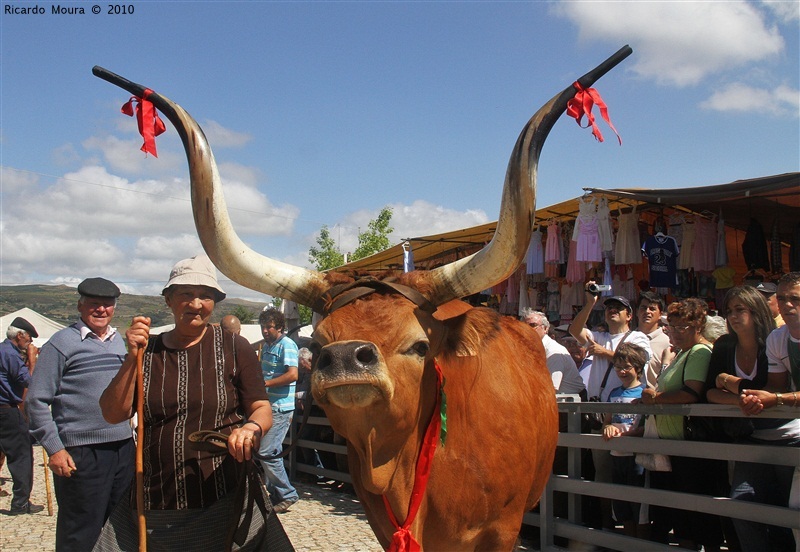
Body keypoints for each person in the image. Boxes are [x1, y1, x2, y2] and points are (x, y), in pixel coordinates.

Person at [95, 255, 285, 551]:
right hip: (154, 497)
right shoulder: (149, 350)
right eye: (186, 294)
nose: (196, 304)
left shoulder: (234, 347)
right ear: (169, 300)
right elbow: (112, 413)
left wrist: (251, 428)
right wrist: (132, 357)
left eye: (206, 296)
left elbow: (261, 407)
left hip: (222, 495)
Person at [25, 278, 133, 549]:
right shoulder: (61, 344)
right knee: (80, 530)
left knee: (120, 527)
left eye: (107, 305)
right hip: (81, 452)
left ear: (114, 309)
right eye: (94, 304)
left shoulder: (120, 345)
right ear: (80, 306)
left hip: (122, 448)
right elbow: (36, 401)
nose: (101, 310)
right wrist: (55, 449)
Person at [640, 297, 723, 550]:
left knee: (696, 511)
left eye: (682, 327)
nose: (675, 332)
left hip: (689, 444)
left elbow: (691, 393)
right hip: (675, 444)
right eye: (672, 327)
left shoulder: (699, 351)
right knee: (682, 512)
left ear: (699, 325)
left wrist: (656, 399)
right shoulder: (682, 353)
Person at [569, 284, 651, 530]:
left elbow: (638, 360)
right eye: (609, 308)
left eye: (618, 308)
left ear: (629, 314)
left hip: (628, 415)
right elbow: (575, 330)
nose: (612, 311)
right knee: (603, 476)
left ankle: (634, 531)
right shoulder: (599, 334)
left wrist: (604, 352)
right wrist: (590, 302)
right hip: (600, 416)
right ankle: (606, 529)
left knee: (632, 477)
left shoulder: (637, 337)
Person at [735, 274, 800, 551]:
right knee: (745, 504)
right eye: (782, 298)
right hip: (785, 434)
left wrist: (775, 398)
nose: (787, 304)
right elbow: (777, 388)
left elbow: (779, 395)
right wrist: (756, 400)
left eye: (794, 298)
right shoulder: (777, 338)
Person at [601, 342, 647, 538]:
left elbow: (647, 427)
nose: (622, 371)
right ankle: (628, 542)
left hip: (637, 457)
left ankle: (642, 543)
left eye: (627, 367)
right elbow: (607, 422)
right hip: (617, 455)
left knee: (639, 504)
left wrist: (626, 435)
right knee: (621, 502)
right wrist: (608, 428)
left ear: (637, 368)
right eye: (618, 367)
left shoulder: (645, 393)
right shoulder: (614, 394)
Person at [258, 308, 300, 513]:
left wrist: (266, 383)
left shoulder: (287, 345)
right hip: (267, 406)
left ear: (280, 327)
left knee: (267, 452)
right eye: (263, 327)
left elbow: (293, 375)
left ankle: (287, 493)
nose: (265, 331)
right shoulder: (266, 346)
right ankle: (275, 495)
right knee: (266, 451)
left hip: (281, 408)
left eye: (269, 327)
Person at [0, 317, 43, 515]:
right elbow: (28, 382)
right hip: (7, 410)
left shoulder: (2, 350)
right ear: (20, 335)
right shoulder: (10, 353)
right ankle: (20, 503)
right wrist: (33, 362)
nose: (30, 344)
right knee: (21, 456)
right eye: (28, 339)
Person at [522, 309, 585, 397]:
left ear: (546, 328)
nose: (528, 329)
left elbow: (551, 388)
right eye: (524, 326)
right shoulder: (529, 349)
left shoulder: (554, 352)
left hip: (571, 406)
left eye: (533, 325)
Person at [295, 347, 324, 478]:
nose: (301, 369)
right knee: (303, 439)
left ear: (309, 360)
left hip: (315, 411)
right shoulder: (306, 373)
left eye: (303, 365)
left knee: (307, 438)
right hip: (307, 412)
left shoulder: (316, 373)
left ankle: (316, 471)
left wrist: (296, 395)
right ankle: (311, 470)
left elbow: (313, 392)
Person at [636, 291, 671, 390]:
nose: (647, 311)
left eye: (652, 309)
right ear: (636, 312)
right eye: (643, 308)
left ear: (660, 314)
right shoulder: (627, 340)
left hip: (655, 400)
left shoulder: (668, 342)